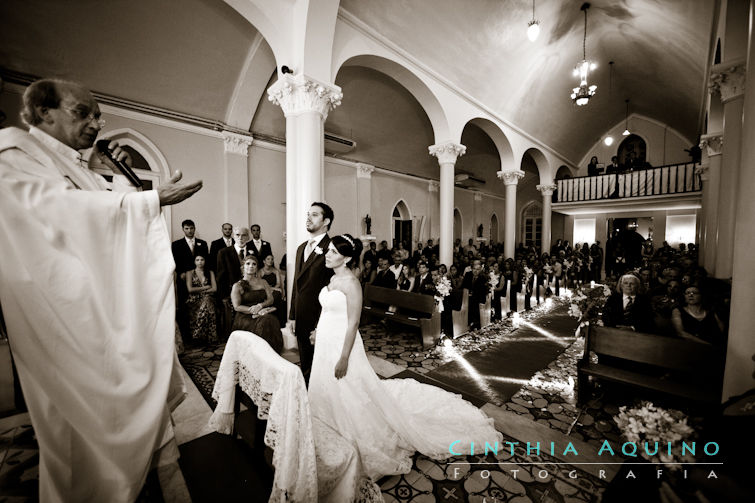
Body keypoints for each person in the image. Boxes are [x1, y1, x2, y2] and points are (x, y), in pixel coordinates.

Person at [0, 78, 202, 501]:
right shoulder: (14, 155)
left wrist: (123, 186)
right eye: (83, 112)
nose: (96, 122)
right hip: (71, 325)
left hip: (109, 316)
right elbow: (58, 214)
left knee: (146, 432)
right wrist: (149, 201)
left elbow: (105, 224)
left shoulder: (76, 164)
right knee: (84, 444)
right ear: (43, 112)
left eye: (98, 115)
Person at [308, 234, 502, 497]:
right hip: (326, 341)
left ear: (347, 257)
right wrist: (318, 331)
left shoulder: (352, 284)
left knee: (348, 388)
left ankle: (351, 435)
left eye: (332, 251)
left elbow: (353, 323)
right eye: (328, 251)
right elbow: (326, 312)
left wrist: (343, 357)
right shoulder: (332, 279)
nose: (327, 254)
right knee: (325, 387)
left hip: (343, 344)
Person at [289, 202, 334, 377]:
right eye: (308, 214)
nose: (308, 218)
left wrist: (321, 324)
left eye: (314, 215)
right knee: (306, 360)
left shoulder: (331, 248)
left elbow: (333, 289)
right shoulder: (301, 248)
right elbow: (296, 284)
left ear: (326, 221)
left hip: (320, 317)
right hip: (301, 315)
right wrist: (293, 315)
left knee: (322, 364)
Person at [231, 255, 283, 353]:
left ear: (256, 267)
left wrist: (260, 306)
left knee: (271, 320)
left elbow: (270, 300)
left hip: (262, 312)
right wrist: (253, 311)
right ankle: (259, 354)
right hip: (245, 316)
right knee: (264, 323)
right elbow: (237, 307)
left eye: (254, 264)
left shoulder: (263, 282)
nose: (251, 266)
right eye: (248, 263)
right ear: (243, 267)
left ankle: (271, 355)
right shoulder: (237, 285)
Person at [217, 226, 252, 338]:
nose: (240, 238)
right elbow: (220, 277)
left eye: (244, 235)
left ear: (248, 237)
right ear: (233, 236)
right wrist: (223, 296)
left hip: (251, 292)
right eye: (237, 235)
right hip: (231, 293)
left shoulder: (253, 251)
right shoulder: (224, 252)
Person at [185, 255, 218, 344]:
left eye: (202, 260)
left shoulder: (210, 272)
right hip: (193, 300)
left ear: (205, 261)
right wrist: (206, 287)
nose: (200, 262)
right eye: (197, 260)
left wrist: (201, 291)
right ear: (194, 262)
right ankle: (210, 336)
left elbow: (214, 288)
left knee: (207, 301)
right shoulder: (189, 273)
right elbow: (190, 290)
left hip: (208, 298)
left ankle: (197, 335)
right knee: (207, 304)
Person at [260, 252, 287, 327]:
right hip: (264, 291)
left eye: (272, 259)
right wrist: (270, 289)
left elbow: (278, 283)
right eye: (268, 259)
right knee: (276, 294)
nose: (270, 261)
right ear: (264, 261)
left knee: (278, 295)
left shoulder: (276, 271)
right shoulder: (260, 272)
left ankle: (279, 323)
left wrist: (275, 289)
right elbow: (260, 285)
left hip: (274, 290)